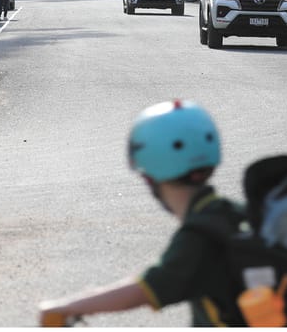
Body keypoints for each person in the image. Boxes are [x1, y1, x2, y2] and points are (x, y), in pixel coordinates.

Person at [37, 99, 248, 327]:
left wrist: (68, 307)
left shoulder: (200, 235)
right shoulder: (239, 213)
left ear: (148, 176)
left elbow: (145, 290)